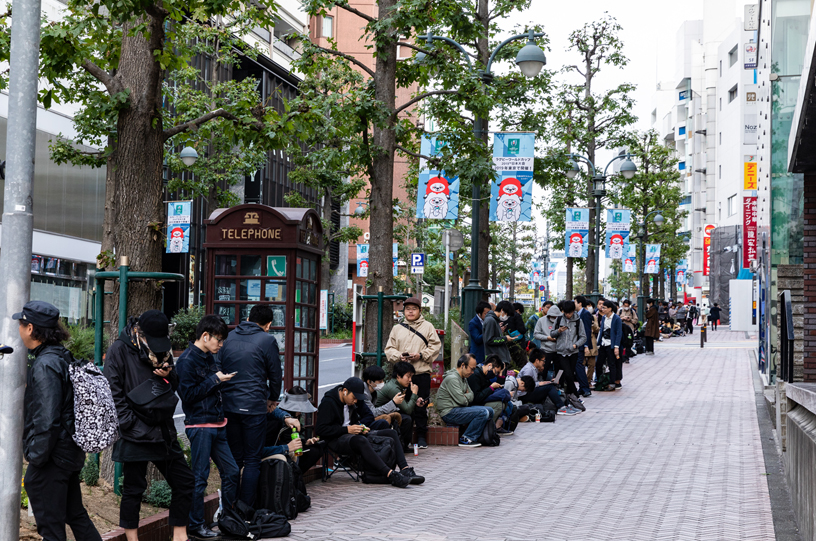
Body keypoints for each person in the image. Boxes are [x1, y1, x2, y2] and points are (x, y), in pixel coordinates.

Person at [104, 310, 195, 541]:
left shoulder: (163, 349)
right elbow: (113, 393)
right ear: (139, 332)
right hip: (135, 431)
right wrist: (129, 423)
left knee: (184, 481)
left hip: (162, 430)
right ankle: (132, 539)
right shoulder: (119, 350)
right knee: (134, 488)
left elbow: (173, 385)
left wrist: (167, 374)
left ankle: (179, 536)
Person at [18, 301, 103, 541]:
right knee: (75, 515)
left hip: (53, 456)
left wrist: (36, 457)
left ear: (31, 328)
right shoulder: (62, 355)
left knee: (51, 529)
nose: (19, 330)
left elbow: (47, 419)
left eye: (21, 325)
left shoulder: (45, 364)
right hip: (69, 451)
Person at [175, 315, 239, 539]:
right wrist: (215, 380)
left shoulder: (209, 356)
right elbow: (188, 395)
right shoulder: (186, 361)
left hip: (218, 422)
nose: (220, 345)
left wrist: (220, 380)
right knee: (200, 477)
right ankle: (195, 525)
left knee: (231, 471)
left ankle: (228, 519)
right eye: (218, 340)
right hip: (200, 425)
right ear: (205, 336)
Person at [219, 304, 282, 506]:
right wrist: (272, 398)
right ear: (268, 324)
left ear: (248, 318)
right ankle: (245, 509)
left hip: (229, 406)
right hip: (254, 406)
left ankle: (229, 508)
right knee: (252, 460)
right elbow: (275, 374)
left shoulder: (229, 337)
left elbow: (218, 367)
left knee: (234, 459)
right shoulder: (267, 340)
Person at [317, 377, 424, 487]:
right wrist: (347, 429)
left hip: (353, 434)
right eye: (354, 398)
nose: (355, 401)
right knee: (361, 440)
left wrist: (360, 427)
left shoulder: (354, 399)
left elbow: (368, 415)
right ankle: (390, 474)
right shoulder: (329, 402)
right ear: (345, 391)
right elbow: (321, 429)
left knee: (391, 433)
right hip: (336, 439)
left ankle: (405, 469)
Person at [383, 297, 441, 450]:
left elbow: (435, 346)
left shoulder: (428, 327)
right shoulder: (397, 328)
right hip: (401, 376)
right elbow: (389, 349)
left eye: (414, 309)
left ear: (420, 311)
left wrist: (420, 355)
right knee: (401, 407)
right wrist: (399, 356)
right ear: (404, 311)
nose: (410, 311)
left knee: (421, 405)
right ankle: (404, 439)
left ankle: (421, 437)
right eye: (407, 309)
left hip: (421, 373)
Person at [436, 355, 494, 447]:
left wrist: (465, 397)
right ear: (463, 365)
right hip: (449, 412)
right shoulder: (452, 378)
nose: (472, 372)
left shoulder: (463, 378)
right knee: (483, 412)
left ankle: (482, 436)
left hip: (458, 409)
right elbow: (462, 401)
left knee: (490, 410)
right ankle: (466, 438)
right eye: (472, 369)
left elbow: (472, 395)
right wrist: (466, 397)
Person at [262, 387, 324, 474]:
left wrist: (306, 442)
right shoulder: (277, 420)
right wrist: (287, 447)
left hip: (286, 448)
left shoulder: (290, 418)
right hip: (275, 450)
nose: (300, 412)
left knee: (317, 448)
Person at [515, 349, 578, 415]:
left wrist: (548, 382)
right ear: (537, 360)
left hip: (528, 392)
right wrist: (541, 383)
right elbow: (526, 385)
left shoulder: (533, 368)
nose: (544, 363)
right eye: (543, 360)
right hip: (524, 394)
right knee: (549, 387)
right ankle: (561, 407)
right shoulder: (528, 369)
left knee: (551, 386)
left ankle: (567, 405)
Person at [549, 300, 587, 409]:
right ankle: (575, 396)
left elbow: (583, 337)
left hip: (573, 352)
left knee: (568, 375)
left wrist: (575, 345)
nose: (567, 315)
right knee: (568, 375)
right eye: (566, 313)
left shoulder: (578, 321)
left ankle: (569, 398)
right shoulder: (559, 319)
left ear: (573, 311)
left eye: (569, 313)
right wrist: (559, 331)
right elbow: (552, 334)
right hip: (561, 352)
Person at [371, 362, 416, 451]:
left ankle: (403, 445)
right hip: (379, 414)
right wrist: (414, 394)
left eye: (411, 377)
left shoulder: (397, 385)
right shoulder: (393, 388)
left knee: (409, 415)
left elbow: (405, 405)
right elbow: (407, 409)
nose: (410, 380)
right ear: (398, 376)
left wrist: (416, 401)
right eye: (408, 376)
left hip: (388, 411)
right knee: (407, 418)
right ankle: (401, 446)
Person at [466, 355, 514, 435]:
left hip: (481, 401)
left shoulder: (484, 374)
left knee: (506, 403)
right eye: (496, 372)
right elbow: (476, 397)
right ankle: (485, 430)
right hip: (474, 404)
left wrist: (500, 375)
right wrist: (491, 388)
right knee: (499, 405)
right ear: (489, 365)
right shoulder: (475, 375)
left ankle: (494, 428)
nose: (495, 374)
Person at [595, 301, 623, 390]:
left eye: (604, 308)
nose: (602, 309)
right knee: (599, 363)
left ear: (610, 309)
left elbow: (619, 333)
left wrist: (616, 346)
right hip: (603, 343)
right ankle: (600, 381)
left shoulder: (616, 318)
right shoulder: (604, 317)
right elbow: (601, 330)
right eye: (602, 307)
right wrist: (598, 342)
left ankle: (612, 383)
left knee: (612, 364)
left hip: (611, 344)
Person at [573, 295, 593, 397]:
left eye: (575, 302)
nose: (574, 304)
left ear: (580, 303)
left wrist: (586, 346)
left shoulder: (585, 314)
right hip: (577, 344)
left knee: (579, 365)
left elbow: (587, 331)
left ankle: (585, 388)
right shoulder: (577, 314)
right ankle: (582, 387)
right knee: (578, 366)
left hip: (581, 344)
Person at [483, 300, 513, 368]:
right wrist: (505, 338)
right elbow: (489, 340)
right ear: (502, 310)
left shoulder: (494, 320)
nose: (507, 317)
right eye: (507, 314)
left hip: (498, 359)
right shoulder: (491, 320)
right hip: (495, 361)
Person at [584, 301, 599, 384]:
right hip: (583, 342)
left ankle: (588, 381)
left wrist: (593, 324)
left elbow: (597, 329)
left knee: (592, 364)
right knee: (581, 364)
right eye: (587, 306)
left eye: (590, 306)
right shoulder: (581, 315)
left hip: (592, 342)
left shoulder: (593, 317)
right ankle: (583, 381)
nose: (589, 308)